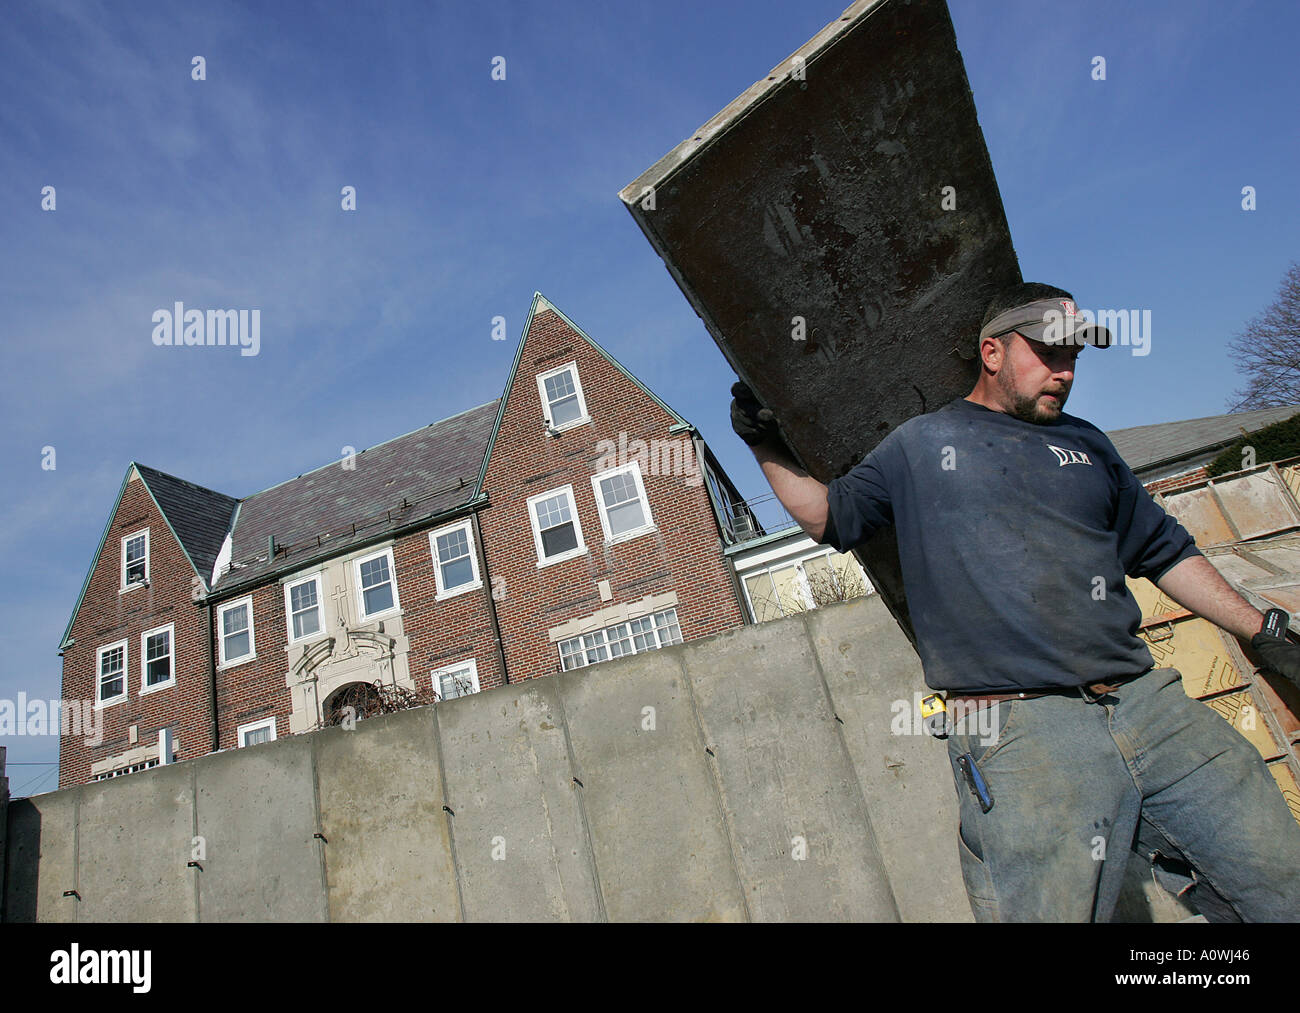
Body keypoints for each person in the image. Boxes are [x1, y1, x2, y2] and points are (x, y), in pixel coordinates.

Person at [730, 281, 1300, 922]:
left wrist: (1266, 629)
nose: (1064, 372)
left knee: (1280, 880)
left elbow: (1164, 552)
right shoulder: (923, 445)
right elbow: (829, 517)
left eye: (1075, 357)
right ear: (992, 352)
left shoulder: (1088, 444)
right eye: (1048, 353)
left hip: (1146, 702)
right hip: (1021, 730)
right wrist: (762, 443)